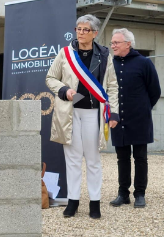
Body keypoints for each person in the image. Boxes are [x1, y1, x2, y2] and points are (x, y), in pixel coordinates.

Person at [46, 14, 119, 219]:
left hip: (94, 114)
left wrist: (114, 112)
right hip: (70, 112)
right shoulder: (65, 53)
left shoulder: (105, 56)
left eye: (85, 29)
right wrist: (64, 90)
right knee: (73, 159)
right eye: (78, 28)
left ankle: (95, 203)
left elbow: (112, 86)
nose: (80, 32)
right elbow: (50, 78)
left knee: (93, 159)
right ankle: (73, 201)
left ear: (95, 33)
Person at [108, 28, 160, 209]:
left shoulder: (144, 63)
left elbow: (155, 91)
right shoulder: (110, 64)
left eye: (116, 42)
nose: (112, 45)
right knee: (122, 157)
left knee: (140, 157)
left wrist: (143, 107)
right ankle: (123, 193)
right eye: (112, 43)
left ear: (128, 44)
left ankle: (140, 193)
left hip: (139, 118)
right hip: (117, 118)